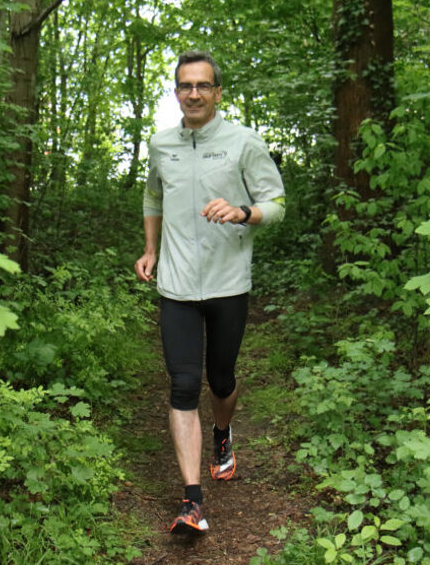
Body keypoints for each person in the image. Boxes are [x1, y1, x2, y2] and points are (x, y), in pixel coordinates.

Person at [134, 50, 286, 534]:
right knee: (182, 385)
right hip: (176, 284)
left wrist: (244, 212)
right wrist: (151, 249)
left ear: (218, 92)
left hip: (226, 283)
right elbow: (153, 195)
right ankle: (192, 501)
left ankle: (223, 433)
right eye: (185, 86)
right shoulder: (161, 144)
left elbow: (276, 203)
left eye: (202, 86)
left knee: (220, 380)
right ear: (176, 92)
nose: (193, 94)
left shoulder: (244, 142)